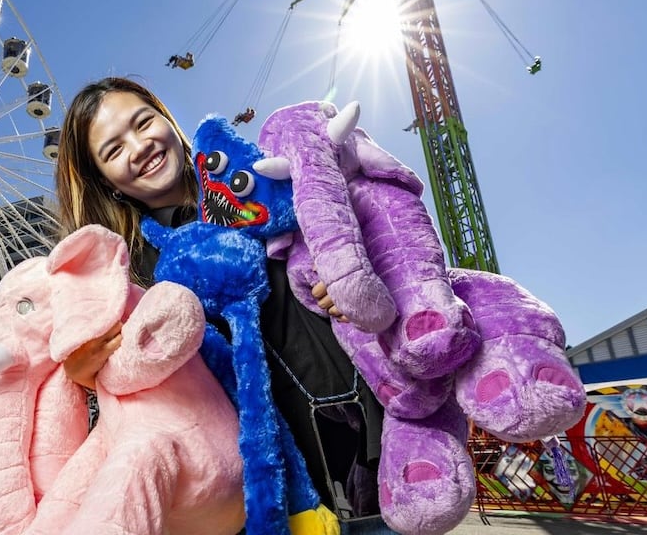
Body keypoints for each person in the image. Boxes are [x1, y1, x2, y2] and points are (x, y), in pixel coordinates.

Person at [54, 76, 396, 534]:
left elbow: (359, 229)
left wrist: (349, 279)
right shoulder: (121, 273)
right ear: (105, 182)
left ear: (167, 121)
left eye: (143, 122)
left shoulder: (257, 176)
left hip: (365, 438)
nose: (139, 147)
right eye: (113, 151)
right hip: (252, 488)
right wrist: (82, 377)